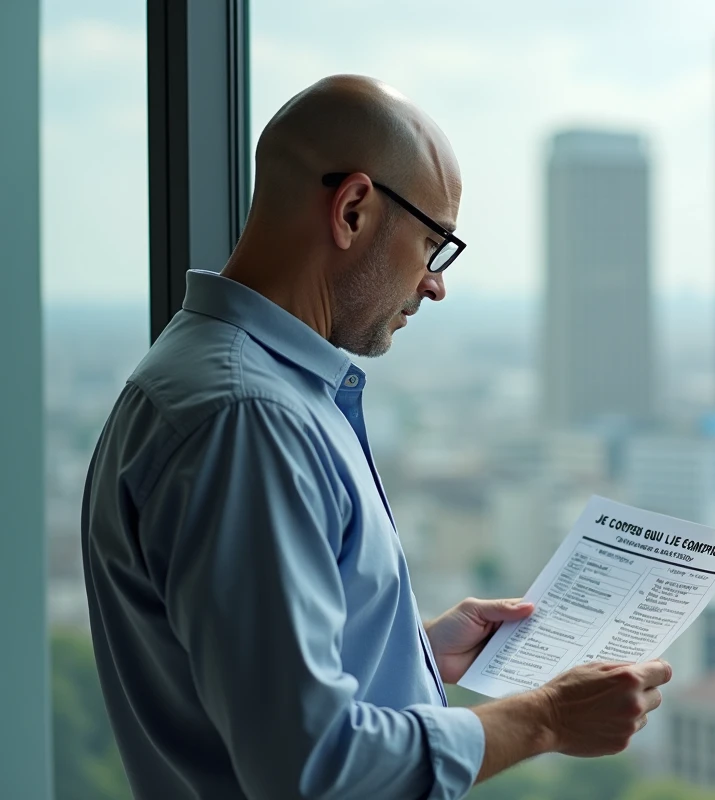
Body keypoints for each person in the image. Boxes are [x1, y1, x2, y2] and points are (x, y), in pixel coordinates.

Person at [81, 74, 673, 800]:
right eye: (433, 243)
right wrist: (545, 718)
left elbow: (249, 690)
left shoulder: (218, 378)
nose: (435, 285)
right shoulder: (248, 418)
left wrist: (413, 652)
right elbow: (311, 766)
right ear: (354, 209)